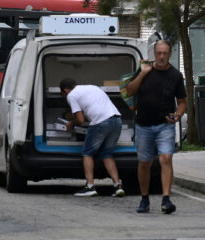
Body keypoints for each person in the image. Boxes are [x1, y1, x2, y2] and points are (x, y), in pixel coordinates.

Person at [124, 39, 187, 214]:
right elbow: (129, 91)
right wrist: (143, 74)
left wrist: (178, 114)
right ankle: (144, 198)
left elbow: (182, 102)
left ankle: (166, 199)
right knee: (145, 163)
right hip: (143, 125)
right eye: (158, 53)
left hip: (164, 125)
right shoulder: (144, 70)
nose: (161, 57)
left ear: (170, 55)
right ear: (154, 53)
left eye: (164, 53)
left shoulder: (175, 76)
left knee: (165, 158)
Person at [59, 78, 125, 197]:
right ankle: (117, 186)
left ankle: (90, 186)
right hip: (116, 120)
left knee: (87, 153)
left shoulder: (71, 96)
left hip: (101, 122)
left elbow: (80, 120)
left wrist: (70, 123)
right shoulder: (92, 87)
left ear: (65, 91)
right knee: (107, 154)